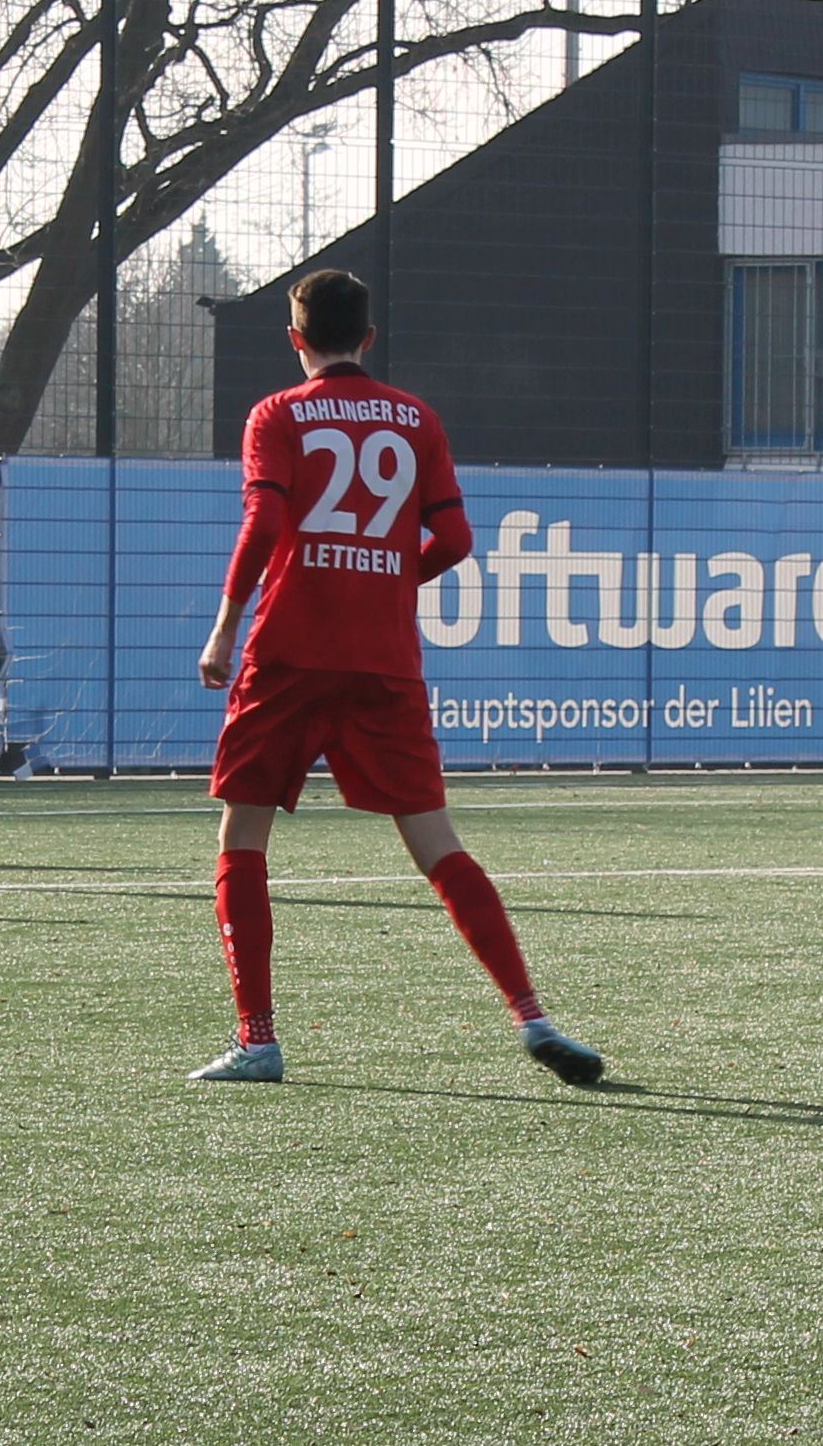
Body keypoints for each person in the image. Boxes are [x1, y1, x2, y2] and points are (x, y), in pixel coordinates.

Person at [188, 268, 603, 1087]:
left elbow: (265, 521)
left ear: (295, 339)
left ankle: (258, 1039)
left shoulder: (279, 414)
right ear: (369, 339)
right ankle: (531, 1015)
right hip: (382, 660)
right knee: (438, 845)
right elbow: (453, 543)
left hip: (289, 656)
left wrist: (226, 624)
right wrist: (382, 579)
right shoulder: (415, 419)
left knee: (243, 839)